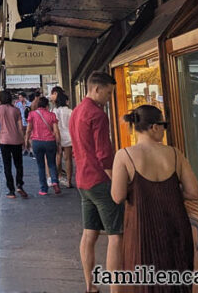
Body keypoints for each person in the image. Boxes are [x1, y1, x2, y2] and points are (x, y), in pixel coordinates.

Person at [110, 105, 198, 293]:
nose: (164, 130)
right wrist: (168, 192)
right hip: (176, 227)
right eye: (164, 125)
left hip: (141, 229)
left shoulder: (124, 155)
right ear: (154, 127)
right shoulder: (175, 154)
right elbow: (193, 193)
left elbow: (118, 197)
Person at [70, 72, 123, 293]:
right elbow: (104, 155)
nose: (110, 98)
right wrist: (118, 181)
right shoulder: (98, 115)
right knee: (116, 236)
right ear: (97, 89)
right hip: (100, 180)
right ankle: (116, 289)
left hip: (83, 180)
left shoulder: (76, 111)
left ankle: (90, 285)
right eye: (109, 93)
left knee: (89, 233)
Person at [0, 91, 27, 199]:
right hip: (16, 140)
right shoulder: (16, 110)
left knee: (7, 166)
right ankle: (19, 184)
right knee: (19, 164)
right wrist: (23, 140)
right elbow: (20, 128)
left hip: (4, 140)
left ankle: (11, 190)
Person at [25, 96, 62, 196]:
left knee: (41, 166)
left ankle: (43, 189)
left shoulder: (32, 114)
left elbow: (28, 130)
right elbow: (56, 131)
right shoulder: (52, 115)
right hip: (50, 142)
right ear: (47, 105)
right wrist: (58, 143)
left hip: (37, 142)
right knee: (52, 164)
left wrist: (26, 141)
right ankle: (54, 181)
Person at [53, 91, 74, 188]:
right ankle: (69, 181)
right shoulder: (70, 111)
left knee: (58, 157)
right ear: (66, 101)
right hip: (68, 137)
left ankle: (58, 177)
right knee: (68, 159)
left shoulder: (54, 111)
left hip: (58, 136)